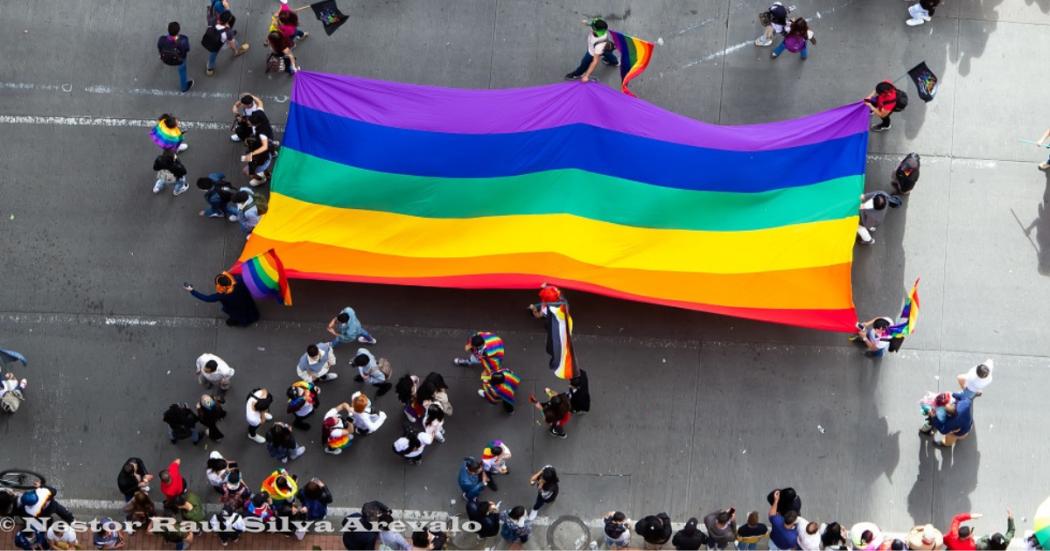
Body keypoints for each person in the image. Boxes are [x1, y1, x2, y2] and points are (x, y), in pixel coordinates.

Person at [185, 272, 260, 327]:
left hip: (235, 308)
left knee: (239, 315)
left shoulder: (222, 295)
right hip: (246, 300)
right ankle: (254, 317)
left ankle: (244, 322)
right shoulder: (238, 280)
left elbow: (207, 298)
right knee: (249, 309)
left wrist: (192, 291)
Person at [564, 18, 618, 82]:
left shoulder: (599, 46)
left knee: (584, 63)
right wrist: (587, 23)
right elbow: (593, 24)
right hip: (603, 47)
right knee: (607, 53)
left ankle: (577, 74)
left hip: (593, 52)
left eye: (593, 27)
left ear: (595, 30)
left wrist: (587, 75)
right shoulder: (601, 30)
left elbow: (595, 61)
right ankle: (614, 62)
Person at [202, 10, 249, 77]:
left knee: (213, 54)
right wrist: (235, 49)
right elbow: (230, 43)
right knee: (233, 42)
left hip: (210, 40)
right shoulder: (227, 32)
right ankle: (237, 51)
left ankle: (209, 69)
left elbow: (209, 16)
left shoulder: (212, 20)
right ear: (227, 21)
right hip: (220, 44)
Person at [157, 22, 193, 92]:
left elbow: (159, 48)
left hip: (166, 59)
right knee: (182, 71)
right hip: (179, 60)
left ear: (168, 30)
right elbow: (187, 49)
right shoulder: (183, 40)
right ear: (178, 31)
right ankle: (184, 88)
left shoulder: (161, 39)